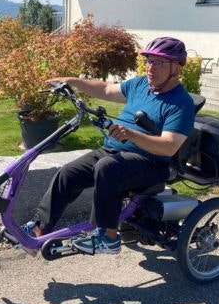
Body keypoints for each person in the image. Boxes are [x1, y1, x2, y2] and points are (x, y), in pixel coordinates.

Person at [24, 37, 196, 255]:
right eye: (149, 61)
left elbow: (169, 146)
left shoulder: (181, 103)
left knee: (107, 168)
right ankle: (39, 229)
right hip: (113, 152)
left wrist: (131, 135)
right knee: (68, 173)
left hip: (151, 163)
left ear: (176, 68)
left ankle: (108, 237)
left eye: (158, 63)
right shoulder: (142, 84)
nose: (151, 68)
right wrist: (72, 81)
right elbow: (105, 89)